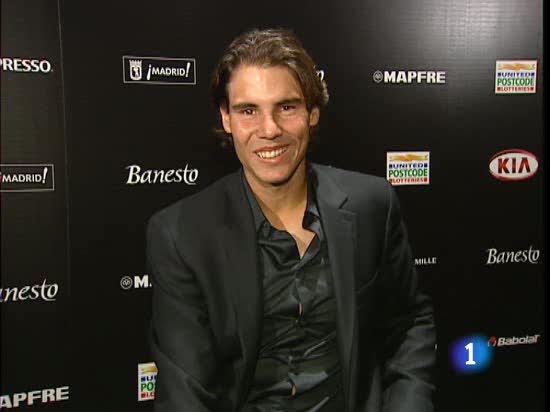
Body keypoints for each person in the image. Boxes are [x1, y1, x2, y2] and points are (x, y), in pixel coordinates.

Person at [147, 28, 436, 412]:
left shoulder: (371, 205)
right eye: (248, 110)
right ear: (226, 118)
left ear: (312, 112)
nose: (269, 129)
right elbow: (186, 393)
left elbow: (409, 324)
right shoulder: (180, 234)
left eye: (286, 107)